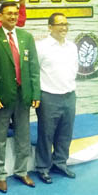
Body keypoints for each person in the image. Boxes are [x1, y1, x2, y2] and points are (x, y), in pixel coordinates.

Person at [0, 2, 40, 193]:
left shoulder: (26, 37)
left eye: (15, 14)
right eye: (8, 13)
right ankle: (0, 174)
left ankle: (21, 170)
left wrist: (35, 93)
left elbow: (33, 68)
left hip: (23, 95)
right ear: (0, 16)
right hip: (2, 96)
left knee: (23, 136)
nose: (12, 17)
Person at [35, 13, 78, 183]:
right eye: (59, 24)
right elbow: (34, 71)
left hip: (69, 95)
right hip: (48, 96)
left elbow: (74, 68)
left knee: (65, 133)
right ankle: (43, 167)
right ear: (50, 27)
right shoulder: (41, 47)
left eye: (66, 24)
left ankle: (60, 163)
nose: (64, 27)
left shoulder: (72, 46)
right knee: (46, 134)